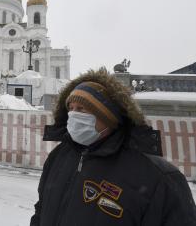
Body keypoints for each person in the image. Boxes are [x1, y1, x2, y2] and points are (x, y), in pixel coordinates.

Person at [30, 68, 196, 226]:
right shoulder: (59, 155)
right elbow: (41, 210)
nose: (73, 115)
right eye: (71, 109)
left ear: (107, 117)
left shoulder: (158, 177)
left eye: (81, 109)